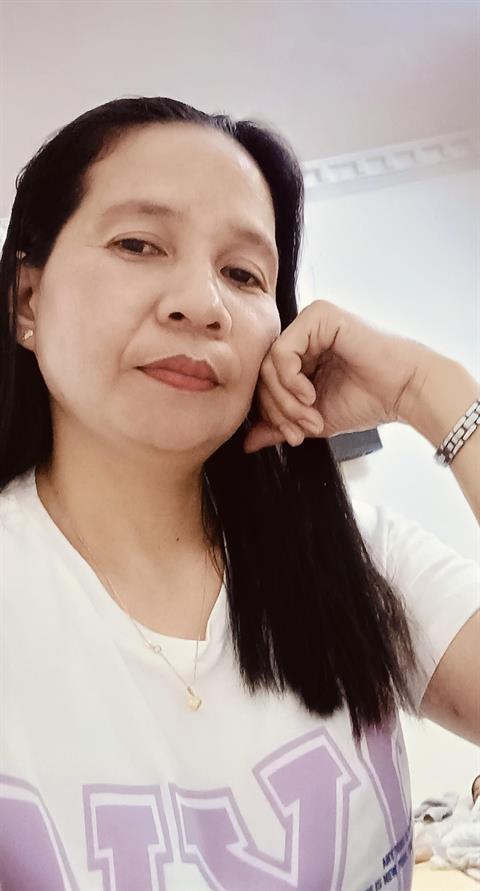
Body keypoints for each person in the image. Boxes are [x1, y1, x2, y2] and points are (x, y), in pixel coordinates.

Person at [0, 96, 478, 891]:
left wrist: (433, 392)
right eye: (139, 243)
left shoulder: (356, 558)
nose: (202, 302)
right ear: (27, 300)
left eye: (243, 273)